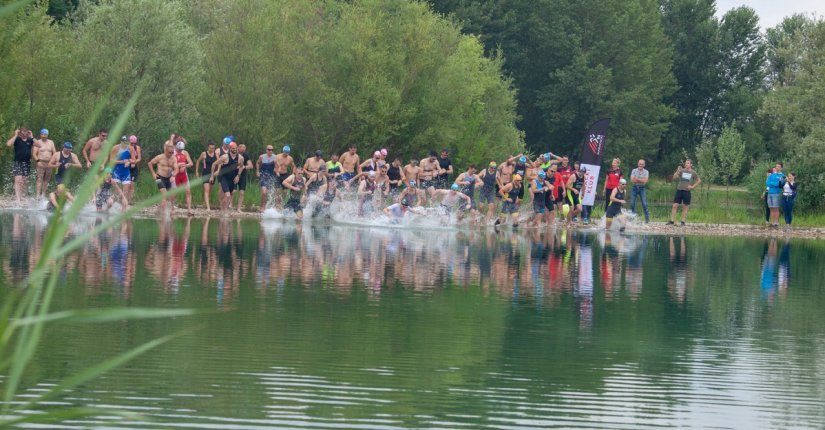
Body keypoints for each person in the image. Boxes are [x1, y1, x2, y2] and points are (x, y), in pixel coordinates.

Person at [210, 142, 244, 213]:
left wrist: (238, 176)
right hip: (223, 177)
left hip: (232, 179)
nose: (234, 150)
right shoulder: (225, 157)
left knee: (230, 195)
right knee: (227, 195)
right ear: (230, 149)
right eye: (233, 148)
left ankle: (223, 210)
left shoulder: (240, 158)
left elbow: (241, 167)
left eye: (235, 148)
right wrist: (212, 176)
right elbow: (214, 164)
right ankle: (224, 212)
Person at [148, 141, 180, 213]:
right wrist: (153, 173)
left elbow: (177, 169)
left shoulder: (173, 158)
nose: (171, 154)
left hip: (168, 178)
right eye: (169, 152)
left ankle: (160, 210)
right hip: (159, 178)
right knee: (165, 193)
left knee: (167, 196)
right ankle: (163, 212)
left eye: (172, 153)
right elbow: (150, 163)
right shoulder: (160, 157)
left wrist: (173, 175)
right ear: (166, 151)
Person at [668, 159, 701, 226]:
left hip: (687, 191)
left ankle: (683, 221)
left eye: (688, 163)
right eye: (686, 163)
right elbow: (674, 178)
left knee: (685, 206)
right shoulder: (682, 170)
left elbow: (699, 180)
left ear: (691, 164)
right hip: (679, 189)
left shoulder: (693, 172)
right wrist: (677, 171)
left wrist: (693, 186)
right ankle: (672, 220)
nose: (686, 164)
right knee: (674, 205)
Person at [6, 128, 35, 204]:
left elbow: (39, 145)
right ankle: (18, 199)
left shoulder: (30, 140)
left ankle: (21, 196)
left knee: (24, 181)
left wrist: (32, 136)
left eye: (26, 132)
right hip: (18, 162)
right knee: (18, 179)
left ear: (28, 133)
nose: (24, 134)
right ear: (20, 133)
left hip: (27, 162)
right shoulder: (17, 139)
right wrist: (15, 134)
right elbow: (8, 144)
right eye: (22, 132)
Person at [110, 136, 135, 203]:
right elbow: (111, 160)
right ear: (121, 142)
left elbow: (134, 160)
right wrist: (122, 162)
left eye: (127, 143)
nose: (125, 144)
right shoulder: (115, 148)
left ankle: (123, 210)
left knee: (125, 193)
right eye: (124, 142)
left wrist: (129, 161)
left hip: (126, 172)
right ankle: (109, 206)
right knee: (116, 193)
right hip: (116, 172)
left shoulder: (131, 148)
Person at [173, 140, 195, 215]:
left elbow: (191, 163)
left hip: (183, 175)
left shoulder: (185, 153)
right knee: (174, 192)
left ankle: (189, 210)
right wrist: (178, 165)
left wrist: (184, 165)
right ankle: (172, 208)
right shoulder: (173, 153)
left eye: (181, 149)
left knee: (188, 191)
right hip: (176, 174)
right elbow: (170, 164)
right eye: (179, 149)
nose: (180, 151)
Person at [33, 128, 56, 198]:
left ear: (47, 135)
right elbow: (34, 153)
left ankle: (43, 194)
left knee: (46, 179)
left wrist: (53, 162)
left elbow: (54, 153)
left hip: (49, 163)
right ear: (40, 134)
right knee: (39, 179)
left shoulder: (51, 142)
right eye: (42, 134)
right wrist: (37, 161)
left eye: (45, 134)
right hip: (41, 162)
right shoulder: (37, 142)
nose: (44, 135)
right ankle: (37, 195)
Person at [195, 140, 218, 210]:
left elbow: (219, 163)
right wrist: (197, 172)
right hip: (205, 173)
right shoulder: (204, 154)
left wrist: (218, 171)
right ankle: (208, 208)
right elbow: (198, 161)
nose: (212, 149)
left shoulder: (216, 154)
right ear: (208, 147)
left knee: (210, 190)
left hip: (213, 174)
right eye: (210, 148)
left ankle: (205, 203)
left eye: (213, 148)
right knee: (206, 190)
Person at [256, 145, 277, 212]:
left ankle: (266, 206)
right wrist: (257, 171)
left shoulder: (275, 157)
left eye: (271, 149)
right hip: (263, 175)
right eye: (269, 149)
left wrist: (276, 170)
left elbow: (277, 166)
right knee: (264, 192)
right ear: (266, 150)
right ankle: (262, 207)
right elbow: (257, 163)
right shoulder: (262, 156)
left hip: (271, 176)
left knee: (269, 193)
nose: (270, 151)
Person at [765, 162, 786, 228]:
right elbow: (767, 183)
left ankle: (776, 222)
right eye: (776, 166)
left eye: (778, 166)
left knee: (776, 208)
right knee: (771, 208)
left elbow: (780, 185)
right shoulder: (771, 175)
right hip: (770, 193)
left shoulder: (782, 176)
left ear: (781, 168)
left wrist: (773, 183)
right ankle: (772, 222)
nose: (777, 167)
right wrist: (775, 183)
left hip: (776, 193)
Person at [235, 144, 254, 211]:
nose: (243, 149)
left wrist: (244, 167)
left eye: (244, 147)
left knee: (242, 192)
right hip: (233, 174)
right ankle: (229, 205)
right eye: (241, 147)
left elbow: (251, 166)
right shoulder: (234, 153)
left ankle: (238, 208)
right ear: (238, 148)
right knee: (232, 191)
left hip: (242, 175)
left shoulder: (246, 155)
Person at [127, 135, 141, 202]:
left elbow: (139, 158)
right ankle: (124, 199)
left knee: (132, 184)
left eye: (134, 143)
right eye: (131, 143)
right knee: (127, 184)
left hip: (134, 168)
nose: (133, 144)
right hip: (127, 167)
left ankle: (129, 200)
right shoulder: (126, 147)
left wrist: (134, 162)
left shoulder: (137, 148)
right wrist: (130, 161)